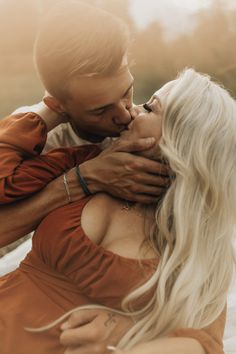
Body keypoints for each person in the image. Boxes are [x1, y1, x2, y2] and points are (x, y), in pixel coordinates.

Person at [0, 69, 235, 354]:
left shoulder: (196, 238)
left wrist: (127, 332)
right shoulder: (89, 159)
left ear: (180, 139)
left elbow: (202, 344)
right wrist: (53, 109)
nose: (132, 111)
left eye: (150, 107)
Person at [0, 0, 167, 249]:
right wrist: (82, 179)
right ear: (58, 106)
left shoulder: (148, 129)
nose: (124, 116)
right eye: (100, 110)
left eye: (126, 92)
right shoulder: (36, 139)